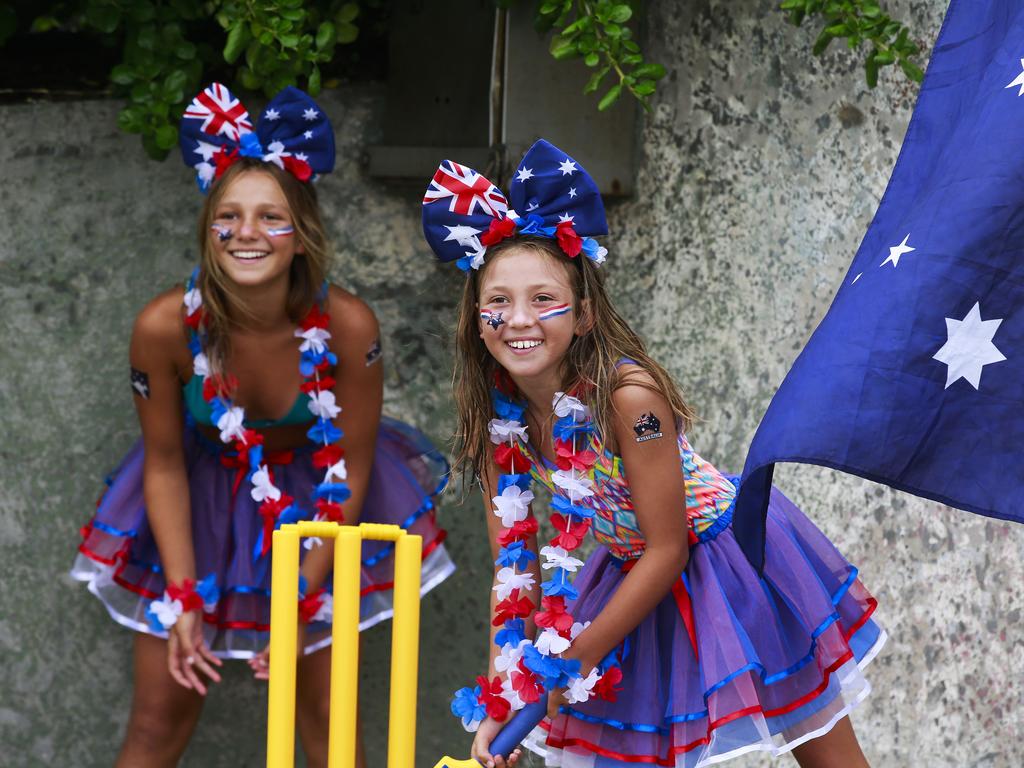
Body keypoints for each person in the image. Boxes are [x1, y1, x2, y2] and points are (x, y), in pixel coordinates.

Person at [421, 140, 885, 768]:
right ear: (478, 321)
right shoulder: (497, 422)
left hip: (728, 557)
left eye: (543, 299)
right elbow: (515, 573)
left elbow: (669, 546)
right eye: (498, 302)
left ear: (583, 314)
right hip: (628, 572)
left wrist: (575, 658)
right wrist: (504, 691)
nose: (520, 319)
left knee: (826, 755)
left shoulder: (628, 398)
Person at [72, 83, 454, 768]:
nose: (247, 232)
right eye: (229, 215)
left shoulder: (349, 327)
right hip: (199, 505)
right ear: (207, 227)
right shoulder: (163, 328)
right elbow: (161, 463)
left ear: (301, 232)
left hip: (319, 511)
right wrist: (184, 596)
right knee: (157, 722)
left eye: (270, 216)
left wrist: (300, 598)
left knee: (331, 728)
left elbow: (356, 468)